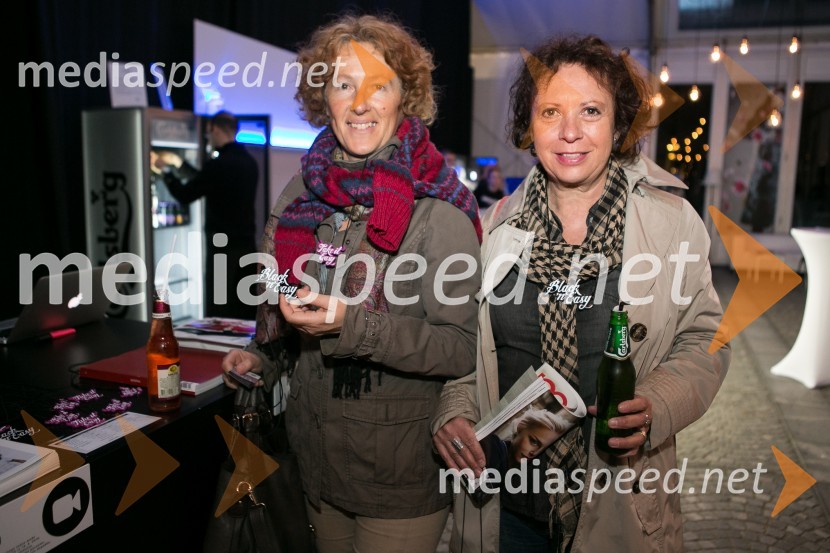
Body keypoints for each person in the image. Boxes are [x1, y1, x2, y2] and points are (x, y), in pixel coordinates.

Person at [432, 35, 730, 553]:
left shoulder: (671, 224)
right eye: (550, 111)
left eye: (591, 110)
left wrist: (657, 402)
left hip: (622, 501)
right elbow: (460, 346)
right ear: (530, 127)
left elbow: (706, 337)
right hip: (511, 506)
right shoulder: (491, 229)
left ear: (619, 126)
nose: (570, 132)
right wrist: (454, 408)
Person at [220, 14, 482, 553]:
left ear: (404, 96)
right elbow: (283, 308)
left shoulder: (439, 207)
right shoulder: (300, 191)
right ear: (324, 99)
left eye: (377, 85)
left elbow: (460, 348)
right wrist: (261, 358)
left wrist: (351, 324)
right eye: (343, 85)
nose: (359, 103)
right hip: (314, 464)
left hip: (398, 477)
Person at [152, 110, 258, 319]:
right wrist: (179, 164)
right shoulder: (250, 162)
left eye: (209, 133)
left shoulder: (218, 165)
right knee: (244, 305)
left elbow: (186, 194)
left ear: (215, 129)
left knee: (221, 307)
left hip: (222, 248)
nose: (208, 138)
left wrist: (165, 171)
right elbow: (207, 182)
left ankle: (218, 349)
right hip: (246, 246)